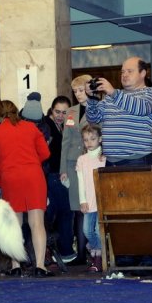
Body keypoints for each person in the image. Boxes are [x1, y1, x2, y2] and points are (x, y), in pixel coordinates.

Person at [0, 100, 52, 277]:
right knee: (37, 223)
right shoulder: (31, 127)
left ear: (0, 115)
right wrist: (31, 163)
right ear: (17, 111)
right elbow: (46, 153)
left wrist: (1, 182)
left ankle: (15, 265)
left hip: (10, 178)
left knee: (14, 225)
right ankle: (40, 266)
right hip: (33, 177)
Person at [85, 57, 152, 167]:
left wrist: (113, 92)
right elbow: (93, 119)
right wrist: (92, 99)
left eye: (130, 71)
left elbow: (141, 109)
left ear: (143, 73)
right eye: (122, 72)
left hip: (137, 160)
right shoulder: (110, 97)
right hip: (110, 161)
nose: (124, 75)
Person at [61, 75, 92, 265]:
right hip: (73, 164)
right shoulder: (70, 112)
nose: (78, 94)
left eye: (81, 90)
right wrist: (63, 168)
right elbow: (65, 141)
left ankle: (96, 253)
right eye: (75, 91)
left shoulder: (100, 108)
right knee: (78, 210)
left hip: (92, 162)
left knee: (93, 210)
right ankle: (80, 254)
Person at [44, 96, 76, 260]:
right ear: (51, 110)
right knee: (60, 213)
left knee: (62, 213)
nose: (60, 115)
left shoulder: (67, 125)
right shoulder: (46, 126)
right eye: (57, 111)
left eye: (64, 112)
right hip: (50, 175)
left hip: (63, 175)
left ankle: (60, 251)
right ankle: (61, 251)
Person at [75, 124, 106, 272]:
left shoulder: (104, 158)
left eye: (92, 139)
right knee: (87, 231)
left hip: (101, 200)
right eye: (86, 139)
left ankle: (98, 258)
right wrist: (82, 200)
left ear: (100, 139)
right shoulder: (82, 159)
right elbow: (81, 181)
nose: (89, 142)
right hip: (88, 201)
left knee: (98, 230)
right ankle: (94, 248)